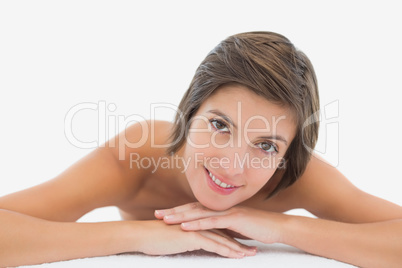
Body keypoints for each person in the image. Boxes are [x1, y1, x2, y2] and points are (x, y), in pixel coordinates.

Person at [0, 31, 401, 267]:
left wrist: (281, 228)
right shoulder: (134, 159)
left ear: (287, 155)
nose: (232, 164)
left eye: (265, 145)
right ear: (189, 114)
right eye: (220, 125)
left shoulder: (293, 177)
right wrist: (140, 236)